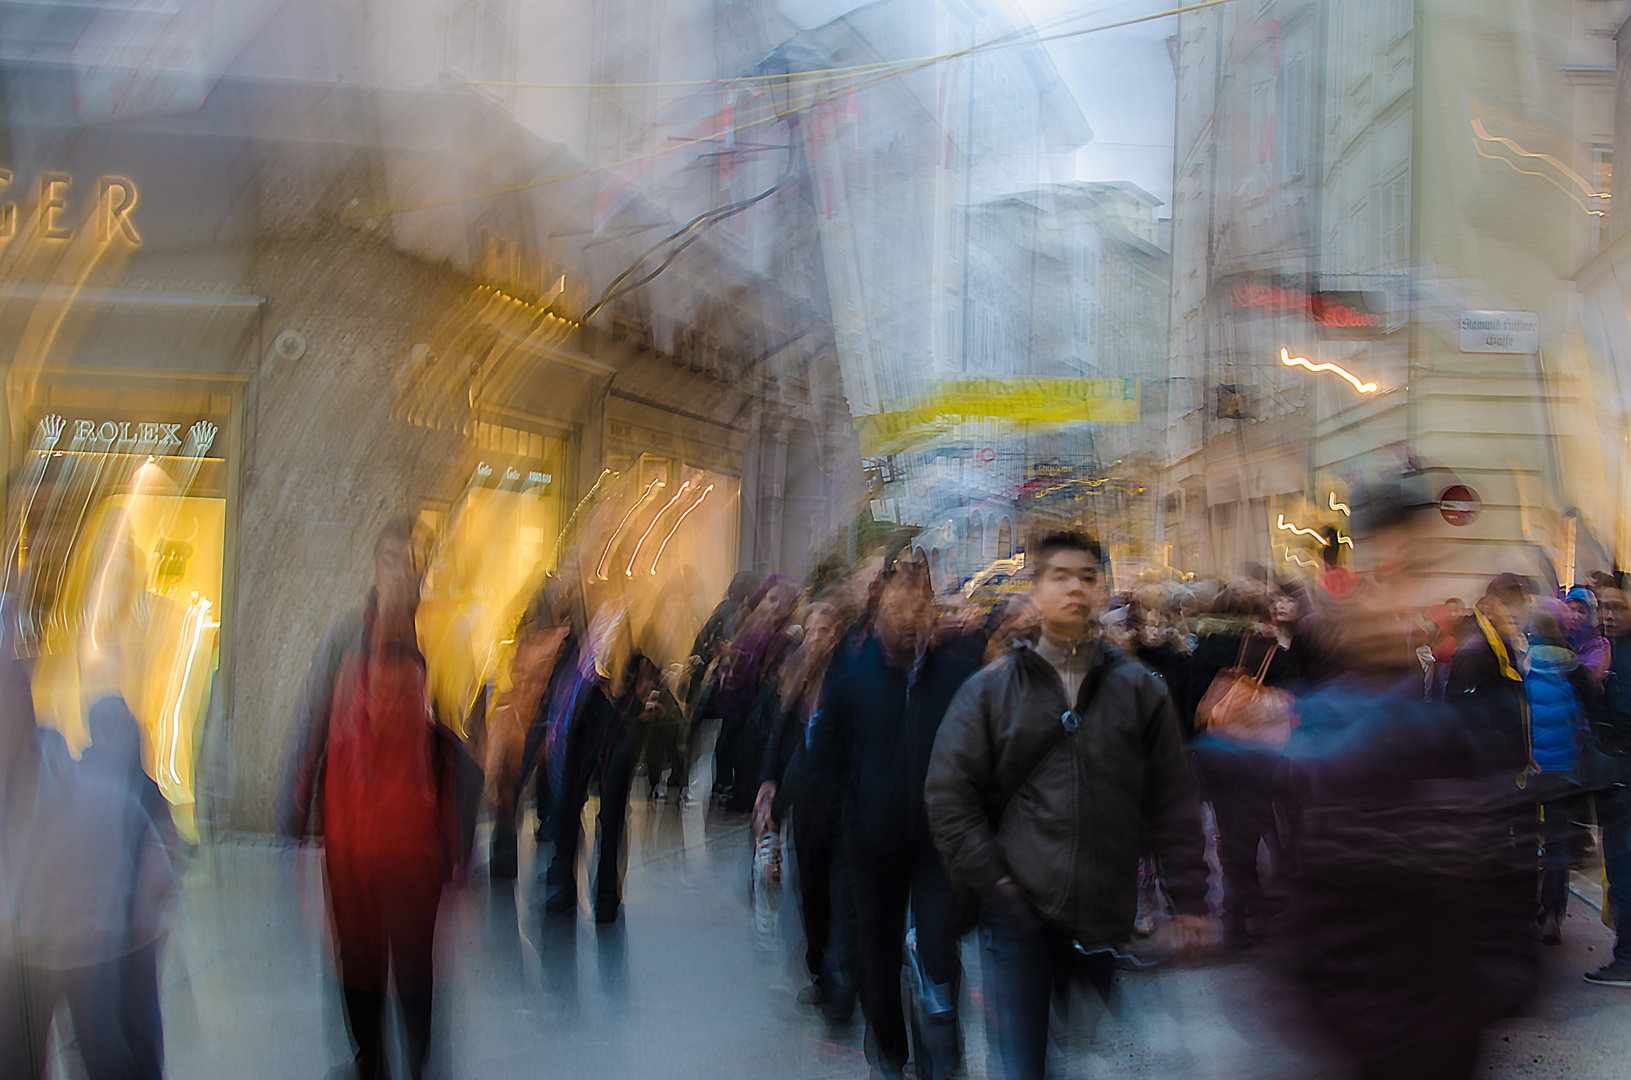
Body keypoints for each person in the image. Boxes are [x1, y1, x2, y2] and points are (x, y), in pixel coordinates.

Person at [1276, 470, 1540, 1079]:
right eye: (1386, 577)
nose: (1401, 603)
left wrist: (1491, 992)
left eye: (1417, 572)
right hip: (1376, 1047)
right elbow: (1305, 931)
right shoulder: (1334, 745)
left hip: (1453, 1040)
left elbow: (1502, 876)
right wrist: (1374, 1033)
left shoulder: (1449, 736)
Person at [925, 532, 1210, 1080]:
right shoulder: (993, 690)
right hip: (1017, 914)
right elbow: (948, 793)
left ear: (1103, 589)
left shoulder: (1137, 691)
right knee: (1024, 1066)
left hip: (1102, 913)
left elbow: (1172, 795)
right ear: (1037, 590)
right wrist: (995, 883)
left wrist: (1191, 897)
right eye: (1059, 576)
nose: (1074, 588)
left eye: (1087, 576)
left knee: (1086, 1050)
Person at [277, 517, 451, 1080]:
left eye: (406, 563)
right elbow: (311, 718)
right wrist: (294, 806)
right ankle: (368, 1058)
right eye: (387, 560)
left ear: (420, 573)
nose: (395, 573)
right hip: (350, 842)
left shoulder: (436, 645)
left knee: (413, 966)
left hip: (411, 848)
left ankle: (418, 1059)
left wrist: (456, 837)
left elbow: (456, 744)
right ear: (374, 568)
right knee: (357, 962)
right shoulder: (344, 634)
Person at [808, 552, 978, 1079]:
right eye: (899, 605)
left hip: (938, 843)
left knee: (937, 946)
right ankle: (888, 1043)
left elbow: (981, 758)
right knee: (876, 956)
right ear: (880, 610)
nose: (909, 616)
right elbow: (826, 760)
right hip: (871, 844)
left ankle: (940, 1052)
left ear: (932, 611)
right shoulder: (852, 681)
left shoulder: (957, 681)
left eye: (919, 605)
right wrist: (842, 822)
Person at [755, 600, 856, 1019]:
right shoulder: (800, 674)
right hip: (807, 801)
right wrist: (768, 782)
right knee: (809, 889)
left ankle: (841, 987)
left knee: (841, 894)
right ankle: (821, 971)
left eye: (824, 630)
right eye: (811, 629)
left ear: (837, 634)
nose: (816, 637)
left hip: (842, 801)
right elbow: (781, 730)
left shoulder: (848, 677)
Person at [1523, 598, 1596, 945]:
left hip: (1530, 767)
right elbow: (1587, 715)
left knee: (1523, 840)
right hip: (1562, 769)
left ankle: (1525, 913)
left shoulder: (1523, 665)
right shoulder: (1573, 666)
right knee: (1556, 844)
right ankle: (1553, 913)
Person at [1587, 584, 1631, 985]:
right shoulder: (1612, 650)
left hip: (1623, 779)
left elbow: (1621, 716)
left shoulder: (1625, 656)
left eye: (1617, 607)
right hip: (1617, 777)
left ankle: (1628, 957)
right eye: (1604, 608)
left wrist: (1593, 689)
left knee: (1623, 865)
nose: (1608, 614)